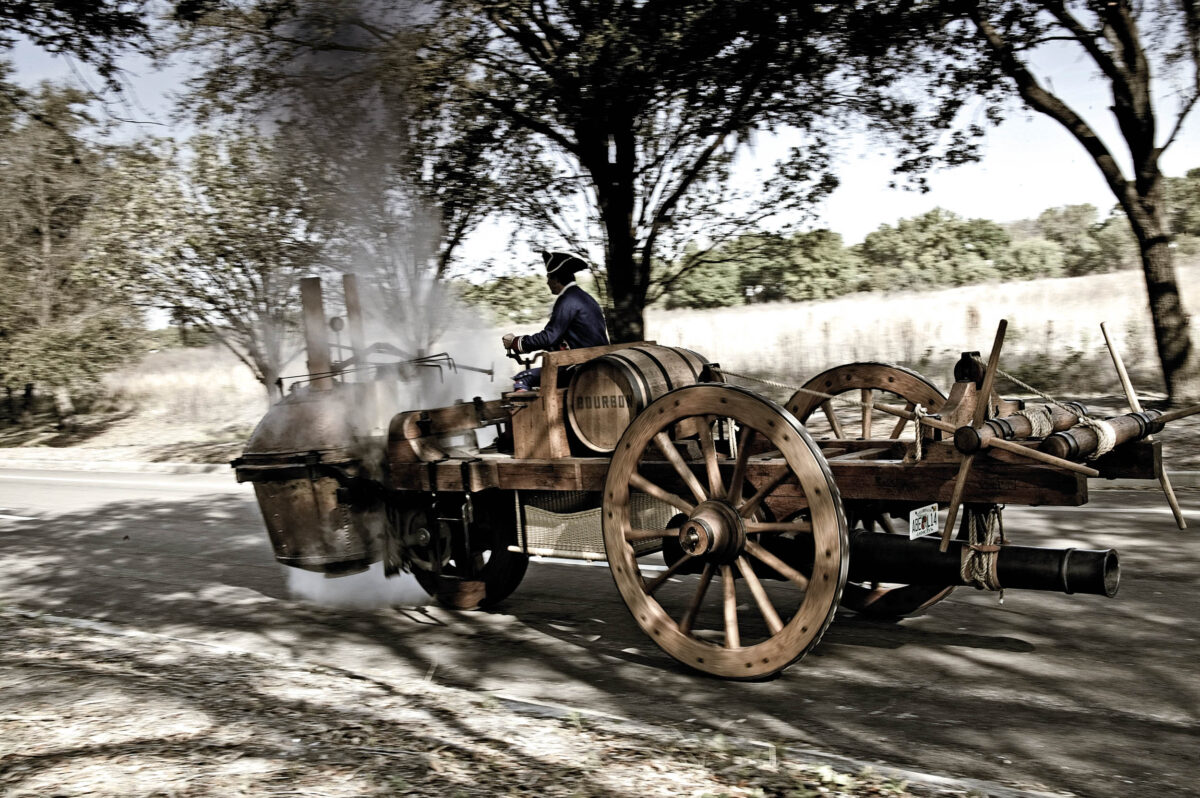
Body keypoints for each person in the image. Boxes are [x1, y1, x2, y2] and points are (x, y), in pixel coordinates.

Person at [501, 250, 610, 390]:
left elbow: (549, 337)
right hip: (598, 364)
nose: (547, 282)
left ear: (557, 279)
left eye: (549, 278)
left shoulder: (567, 300)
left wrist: (516, 343)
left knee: (523, 378)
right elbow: (562, 338)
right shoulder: (585, 298)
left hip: (581, 368)